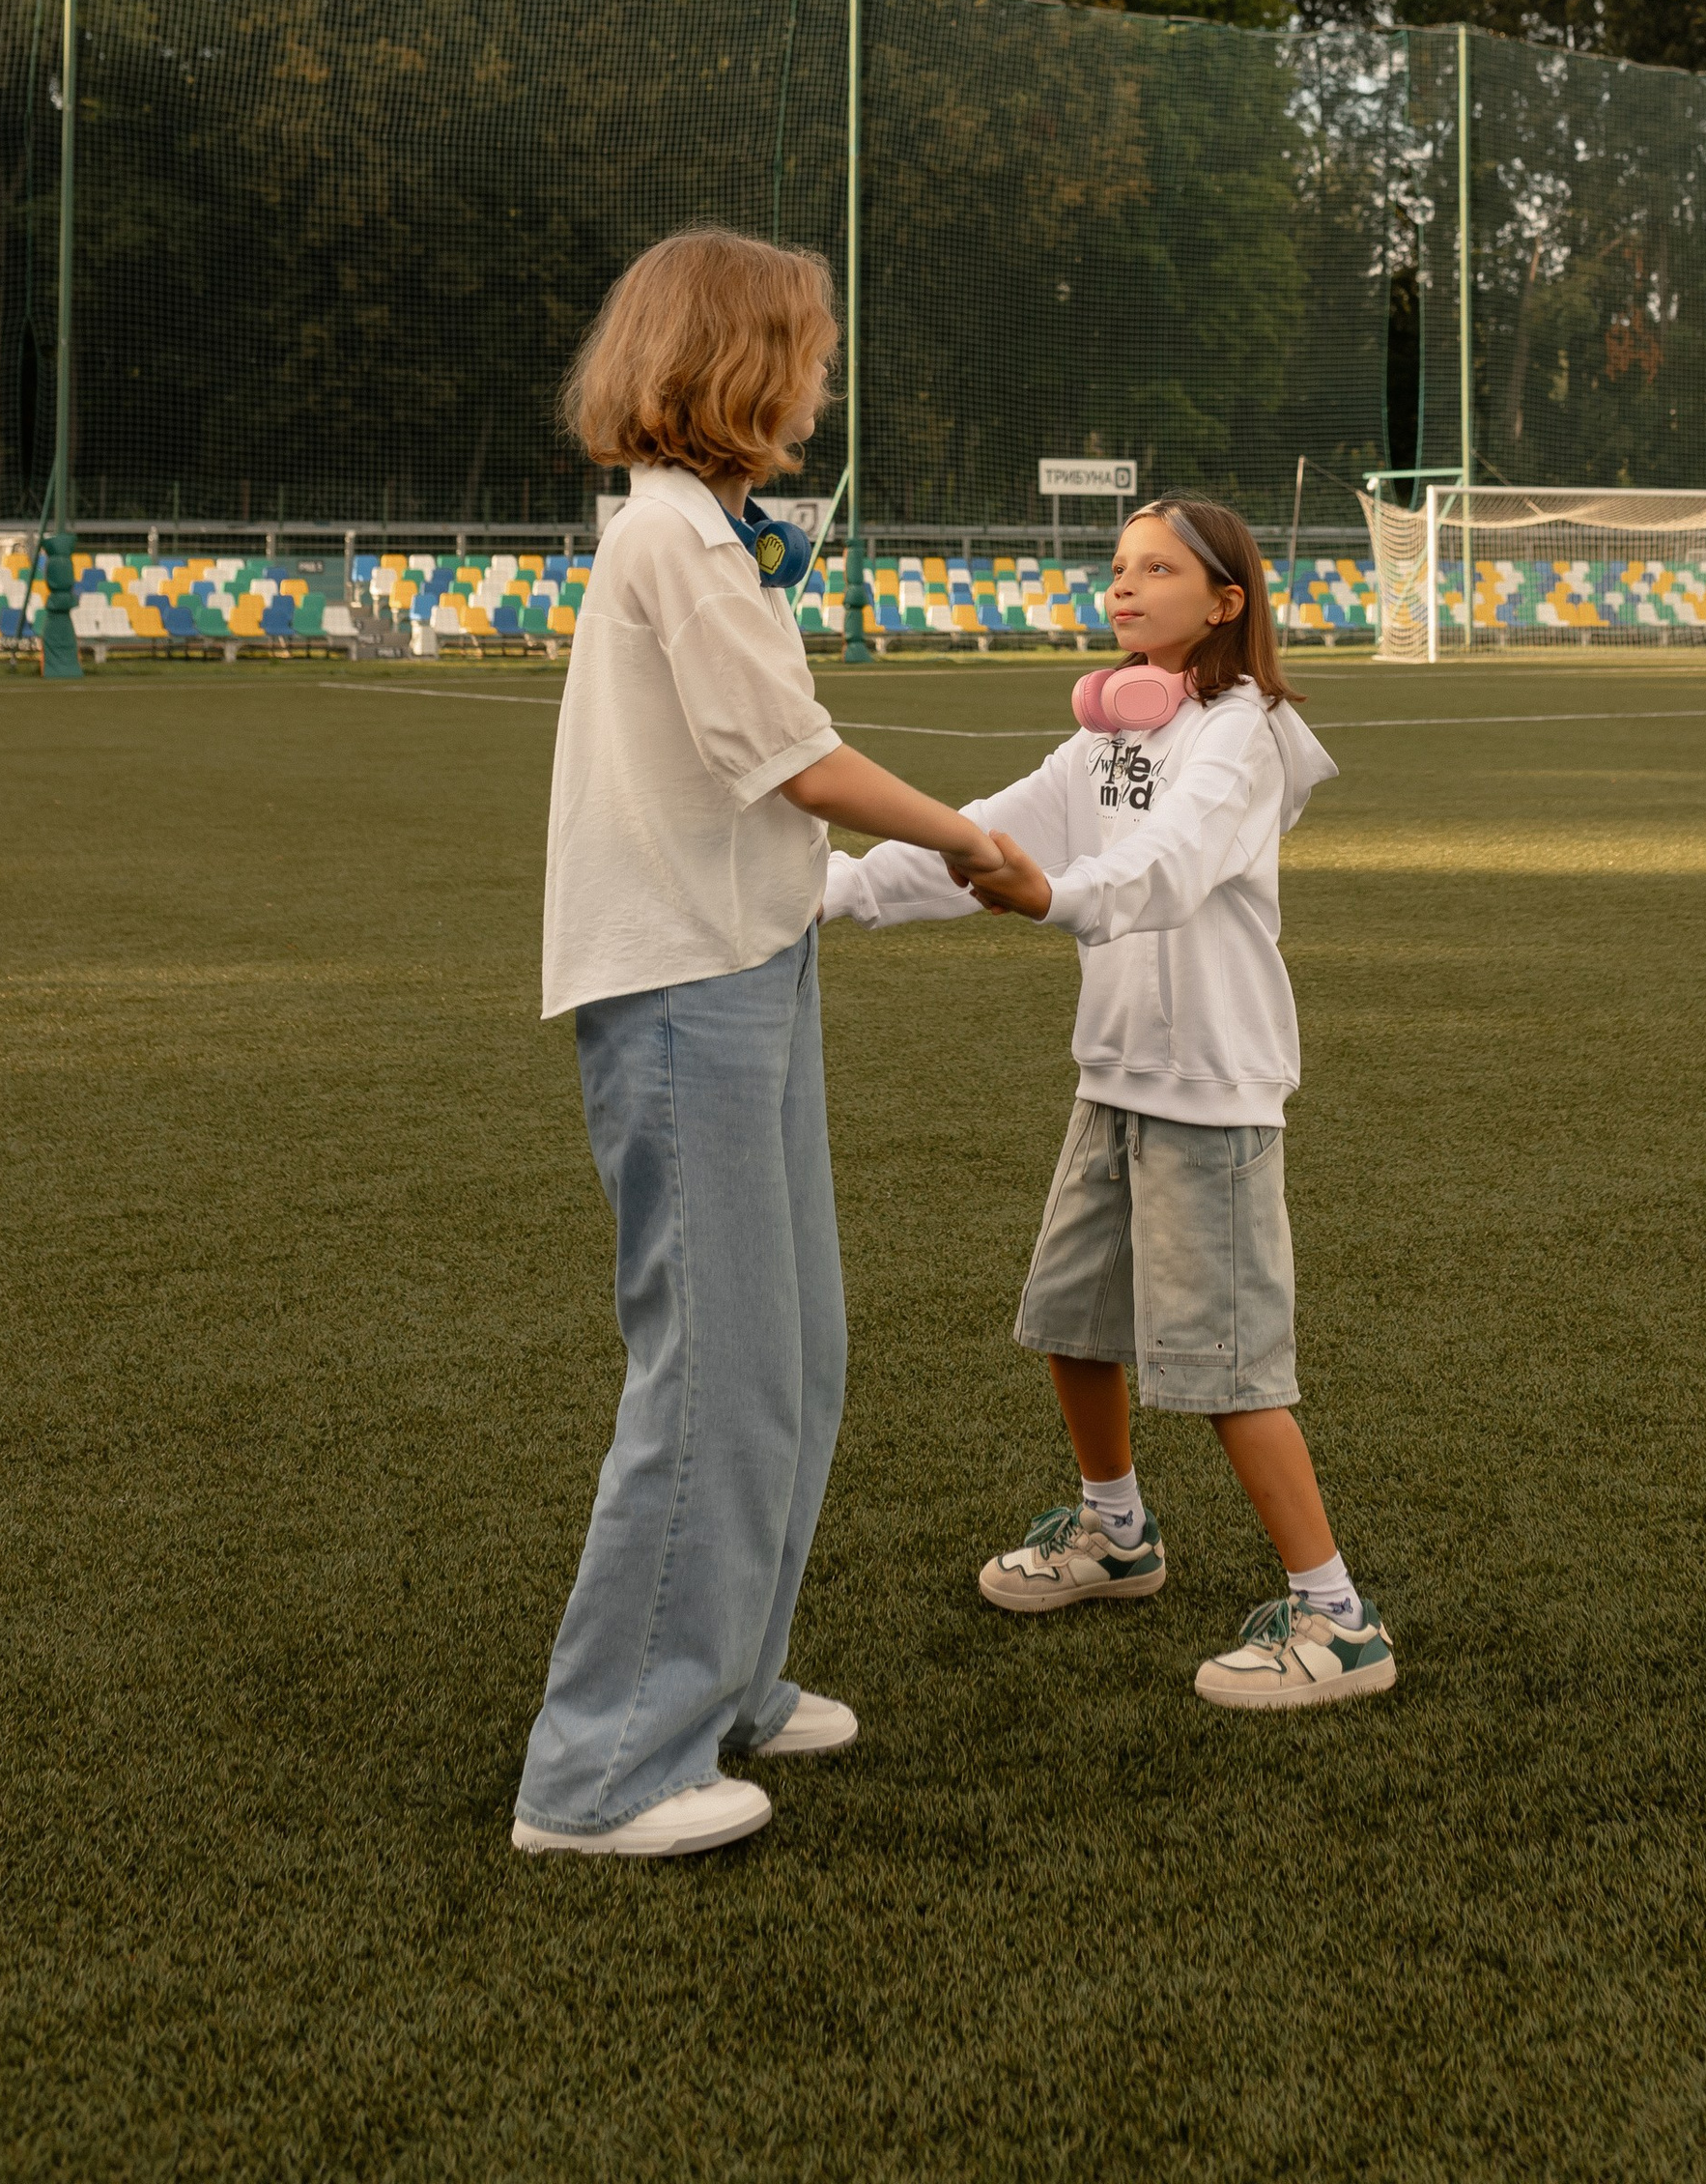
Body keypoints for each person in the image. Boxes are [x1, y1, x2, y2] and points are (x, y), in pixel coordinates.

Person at [511, 227, 1008, 1861]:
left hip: (751, 959)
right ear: (736, 363)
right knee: (713, 1366)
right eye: (806, 349)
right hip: (681, 989)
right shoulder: (674, 546)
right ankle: (601, 1775)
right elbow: (794, 758)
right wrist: (971, 846)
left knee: (794, 1352)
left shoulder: (709, 537)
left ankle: (724, 1683)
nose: (823, 379)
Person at [824, 497, 1396, 1710]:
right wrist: (826, 892)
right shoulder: (1102, 743)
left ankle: (1336, 1617)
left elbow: (1166, 868)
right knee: (1074, 1324)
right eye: (1117, 567)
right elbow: (978, 838)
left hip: (1211, 1091)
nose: (1123, 587)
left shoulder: (1242, 735)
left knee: (1231, 1368)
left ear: (1224, 602)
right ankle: (1116, 1535)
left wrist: (1051, 896)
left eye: (1156, 569)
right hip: (1116, 1075)